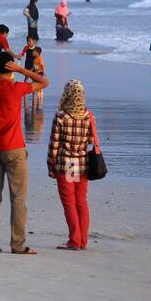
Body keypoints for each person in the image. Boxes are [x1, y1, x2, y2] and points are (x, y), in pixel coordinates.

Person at [0, 51, 49, 254]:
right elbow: (44, 82)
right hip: (15, 148)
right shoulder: (16, 88)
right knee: (17, 198)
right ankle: (18, 244)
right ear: (10, 69)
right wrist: (21, 69)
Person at [47, 79, 97, 250]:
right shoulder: (89, 116)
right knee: (81, 201)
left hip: (67, 163)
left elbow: (54, 144)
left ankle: (74, 240)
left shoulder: (61, 117)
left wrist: (50, 165)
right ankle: (82, 240)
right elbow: (90, 140)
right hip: (82, 162)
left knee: (69, 202)